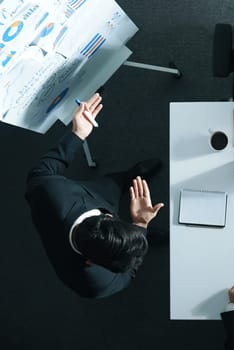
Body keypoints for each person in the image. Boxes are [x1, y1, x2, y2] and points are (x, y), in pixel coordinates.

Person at [24, 93, 164, 299]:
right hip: (91, 210)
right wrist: (141, 225)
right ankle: (144, 236)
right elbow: (127, 277)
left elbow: (42, 170)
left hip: (91, 195)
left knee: (113, 182)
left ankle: (129, 176)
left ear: (109, 217)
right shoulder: (95, 283)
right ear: (91, 263)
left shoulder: (50, 191)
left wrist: (77, 134)